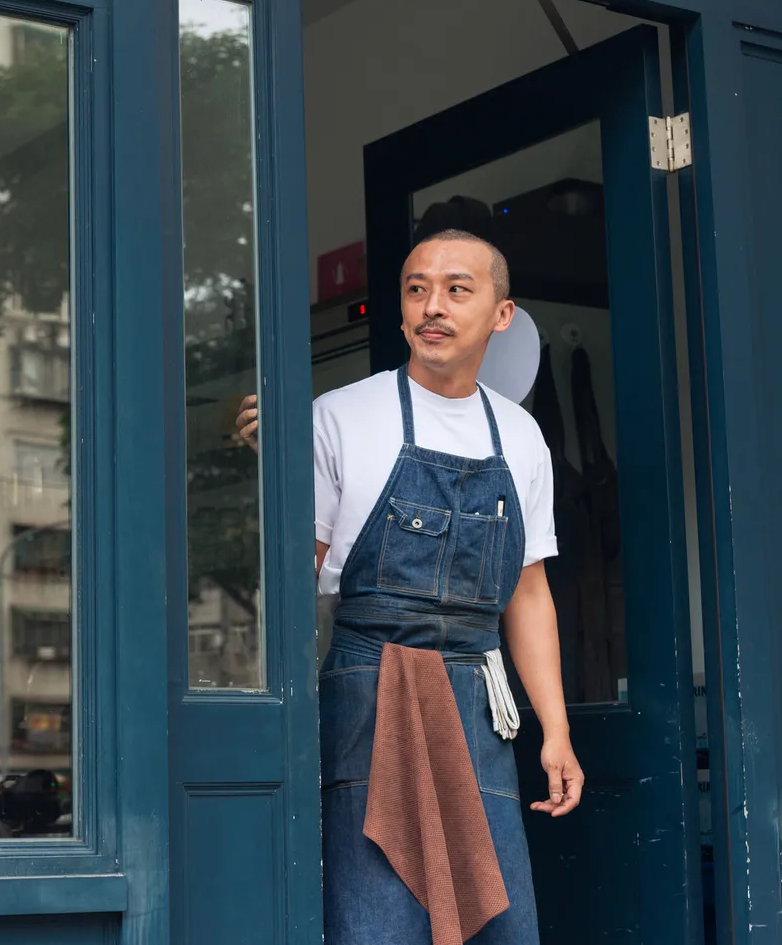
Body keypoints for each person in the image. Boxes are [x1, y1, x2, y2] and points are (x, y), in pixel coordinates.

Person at [235, 229, 581, 944]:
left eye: (458, 289)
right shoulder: (336, 416)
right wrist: (279, 480)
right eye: (417, 289)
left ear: (501, 313)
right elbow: (297, 585)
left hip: (478, 701)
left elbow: (527, 594)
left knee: (498, 923)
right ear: (399, 311)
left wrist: (556, 731)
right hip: (369, 689)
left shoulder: (519, 436)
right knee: (377, 923)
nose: (434, 306)